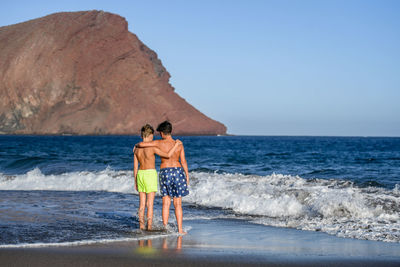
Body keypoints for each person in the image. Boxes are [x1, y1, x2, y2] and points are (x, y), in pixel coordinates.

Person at [136, 121, 189, 234]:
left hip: (165, 172)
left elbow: (141, 145)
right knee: (178, 203)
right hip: (178, 171)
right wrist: (187, 176)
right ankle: (180, 229)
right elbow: (183, 161)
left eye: (160, 132)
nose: (159, 134)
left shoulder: (158, 143)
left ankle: (165, 228)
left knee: (166, 202)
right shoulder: (179, 144)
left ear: (163, 133)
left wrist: (136, 145)